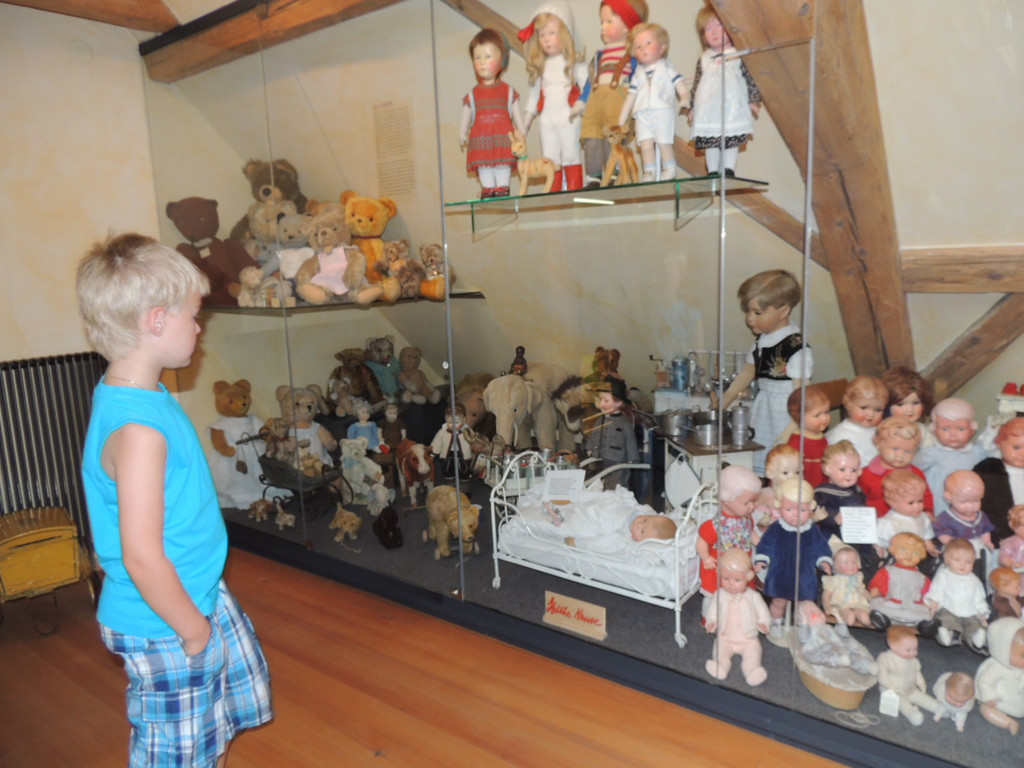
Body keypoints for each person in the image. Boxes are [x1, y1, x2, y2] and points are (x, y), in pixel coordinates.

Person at [76, 233, 272, 767]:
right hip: (167, 619)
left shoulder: (135, 394)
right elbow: (140, 557)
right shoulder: (139, 431)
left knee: (211, 732)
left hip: (194, 592)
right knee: (179, 754)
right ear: (157, 321)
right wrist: (193, 631)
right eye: (193, 315)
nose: (199, 327)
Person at [719, 269, 812, 476]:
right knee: (760, 460)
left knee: (782, 466)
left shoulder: (795, 347)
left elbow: (803, 395)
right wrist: (726, 398)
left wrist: (791, 428)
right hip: (764, 408)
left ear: (783, 311)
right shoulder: (763, 341)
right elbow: (747, 372)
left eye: (757, 313)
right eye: (747, 312)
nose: (749, 318)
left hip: (785, 413)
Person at [578, 0, 648, 188]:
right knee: (592, 135)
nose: (603, 27)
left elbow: (640, 81)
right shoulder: (599, 56)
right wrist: (582, 101)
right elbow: (590, 81)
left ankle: (614, 173)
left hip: (618, 103)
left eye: (609, 22)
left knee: (614, 137)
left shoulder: (632, 56)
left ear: (628, 27)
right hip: (595, 103)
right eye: (602, 22)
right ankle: (593, 176)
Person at [753, 478, 833, 643]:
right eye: (789, 509)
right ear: (779, 507)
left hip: (804, 575)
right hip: (780, 574)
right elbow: (765, 544)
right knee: (778, 603)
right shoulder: (776, 528)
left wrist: (823, 560)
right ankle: (776, 624)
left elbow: (821, 547)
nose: (795, 514)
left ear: (810, 508)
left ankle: (802, 627)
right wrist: (762, 560)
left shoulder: (811, 529)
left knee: (803, 605)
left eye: (802, 510)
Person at [520, 1, 589, 192]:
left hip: (569, 118)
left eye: (552, 33)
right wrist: (524, 125)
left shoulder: (575, 64)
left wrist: (583, 107)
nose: (546, 40)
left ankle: (574, 186)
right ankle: (554, 188)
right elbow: (533, 98)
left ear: (565, 34)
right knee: (549, 157)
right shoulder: (541, 67)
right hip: (547, 120)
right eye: (542, 35)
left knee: (571, 153)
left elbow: (588, 90)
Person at [686, 3, 762, 176]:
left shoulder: (737, 54)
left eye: (719, 26)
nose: (714, 32)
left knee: (731, 138)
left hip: (732, 106)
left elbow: (749, 78)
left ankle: (728, 168)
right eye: (708, 29)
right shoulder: (704, 58)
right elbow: (697, 84)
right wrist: (693, 107)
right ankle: (712, 170)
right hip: (708, 108)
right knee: (711, 140)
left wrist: (753, 100)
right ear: (703, 35)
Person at [459, 29, 525, 199]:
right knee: (484, 167)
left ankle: (502, 187)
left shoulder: (508, 91)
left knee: (502, 165)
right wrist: (462, 132)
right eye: (477, 57)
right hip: (481, 140)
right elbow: (467, 113)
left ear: (502, 59)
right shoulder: (473, 94)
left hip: (504, 139)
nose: (482, 62)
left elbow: (517, 115)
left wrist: (521, 130)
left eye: (488, 57)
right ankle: (487, 188)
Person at [616, 23, 687, 182]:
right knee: (645, 144)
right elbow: (631, 96)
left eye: (648, 43)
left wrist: (685, 97)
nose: (644, 49)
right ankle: (649, 171)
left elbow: (680, 85)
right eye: (639, 47)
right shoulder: (638, 74)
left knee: (663, 142)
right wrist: (622, 118)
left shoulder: (666, 69)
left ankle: (669, 168)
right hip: (642, 113)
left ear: (662, 48)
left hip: (661, 111)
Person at [696, 464, 762, 611]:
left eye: (755, 501)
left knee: (743, 594)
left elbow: (749, 533)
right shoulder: (715, 525)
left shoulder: (746, 518)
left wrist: (761, 543)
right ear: (726, 499)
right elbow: (702, 542)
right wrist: (706, 558)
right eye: (747, 502)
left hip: (742, 564)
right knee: (714, 597)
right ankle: (709, 617)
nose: (752, 506)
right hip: (720, 568)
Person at [703, 548, 771, 686]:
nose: (731, 583)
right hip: (725, 637)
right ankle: (720, 667)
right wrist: (711, 622)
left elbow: (763, 612)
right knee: (720, 650)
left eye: (737, 580)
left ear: (748, 577)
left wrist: (764, 623)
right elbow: (712, 611)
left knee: (753, 653)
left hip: (748, 639)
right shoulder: (719, 595)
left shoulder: (753, 596)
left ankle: (752, 671)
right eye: (726, 578)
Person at [916, 397, 989, 505]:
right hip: (940, 501)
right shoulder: (932, 453)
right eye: (945, 429)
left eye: (961, 429)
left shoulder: (977, 452)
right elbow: (913, 470)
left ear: (972, 430)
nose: (953, 434)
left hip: (968, 501)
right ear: (934, 430)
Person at [867, 531, 940, 638]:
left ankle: (924, 626)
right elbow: (877, 588)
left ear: (921, 556)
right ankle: (883, 620)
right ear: (894, 551)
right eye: (903, 550)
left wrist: (929, 604)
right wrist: (875, 593)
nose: (908, 555)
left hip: (913, 606)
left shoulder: (922, 577)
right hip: (892, 603)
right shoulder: (888, 571)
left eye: (915, 553)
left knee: (923, 614)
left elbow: (927, 594)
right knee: (881, 606)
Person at [858, 416, 932, 519]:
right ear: (878, 443)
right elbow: (857, 498)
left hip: (910, 521)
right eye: (895, 449)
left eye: (908, 451)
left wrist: (927, 511)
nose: (901, 455)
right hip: (876, 523)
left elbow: (926, 496)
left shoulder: (916, 473)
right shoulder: (866, 474)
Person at [925, 537, 989, 652]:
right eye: (957, 560)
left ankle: (975, 637)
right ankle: (948, 633)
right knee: (945, 620)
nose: (962, 565)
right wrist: (933, 604)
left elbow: (979, 598)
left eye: (968, 562)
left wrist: (982, 613)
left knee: (974, 624)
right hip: (949, 608)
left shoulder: (974, 580)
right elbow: (937, 590)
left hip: (970, 612)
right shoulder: (943, 575)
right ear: (947, 559)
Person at [974, 416, 1024, 546]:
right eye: (1016, 447)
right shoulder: (990, 470)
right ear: (1000, 443)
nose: (1022, 453)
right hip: (998, 535)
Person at [875, 626, 940, 727]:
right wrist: (891, 686)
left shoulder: (912, 660)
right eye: (908, 650)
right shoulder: (885, 659)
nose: (913, 653)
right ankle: (912, 714)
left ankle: (938, 707)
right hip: (894, 689)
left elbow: (916, 671)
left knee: (922, 697)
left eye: (915, 649)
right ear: (893, 645)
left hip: (910, 687)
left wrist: (920, 681)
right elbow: (882, 677)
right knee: (902, 704)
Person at [583, 376, 639, 489]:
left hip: (617, 460)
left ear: (618, 403)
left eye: (606, 401)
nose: (601, 404)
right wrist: (590, 448)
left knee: (616, 485)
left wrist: (632, 458)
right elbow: (595, 434)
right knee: (600, 482)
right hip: (600, 459)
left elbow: (630, 441)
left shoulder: (624, 424)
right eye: (601, 400)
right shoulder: (600, 420)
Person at [825, 375, 889, 466]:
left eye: (878, 410)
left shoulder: (882, 428)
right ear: (847, 403)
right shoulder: (840, 435)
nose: (871, 414)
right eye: (864, 407)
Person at [976, 617, 1024, 734]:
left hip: (1018, 702)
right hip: (998, 703)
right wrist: (989, 697)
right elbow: (985, 682)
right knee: (986, 710)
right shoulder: (997, 668)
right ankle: (1008, 723)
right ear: (1004, 650)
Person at [875, 469, 938, 559]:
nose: (917, 506)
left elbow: (926, 536)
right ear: (893, 503)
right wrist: (881, 556)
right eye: (911, 503)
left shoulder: (923, 517)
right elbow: (880, 544)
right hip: (897, 558)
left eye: (920, 501)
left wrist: (930, 548)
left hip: (918, 556)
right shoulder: (888, 523)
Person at [777, 384, 831, 488]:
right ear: (799, 417)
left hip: (822, 485)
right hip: (804, 486)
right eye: (817, 415)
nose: (824, 418)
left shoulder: (821, 437)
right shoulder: (797, 441)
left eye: (826, 412)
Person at [821, 546, 872, 628]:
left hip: (858, 604)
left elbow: (862, 590)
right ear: (836, 566)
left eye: (853, 562)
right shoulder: (834, 580)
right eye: (846, 563)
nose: (850, 566)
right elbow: (826, 594)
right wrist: (827, 606)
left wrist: (871, 599)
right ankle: (846, 617)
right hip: (841, 605)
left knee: (864, 618)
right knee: (849, 617)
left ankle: (858, 615)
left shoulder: (858, 578)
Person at [880, 365, 934, 436]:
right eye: (900, 404)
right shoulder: (883, 430)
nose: (910, 410)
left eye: (916, 403)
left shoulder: (922, 430)